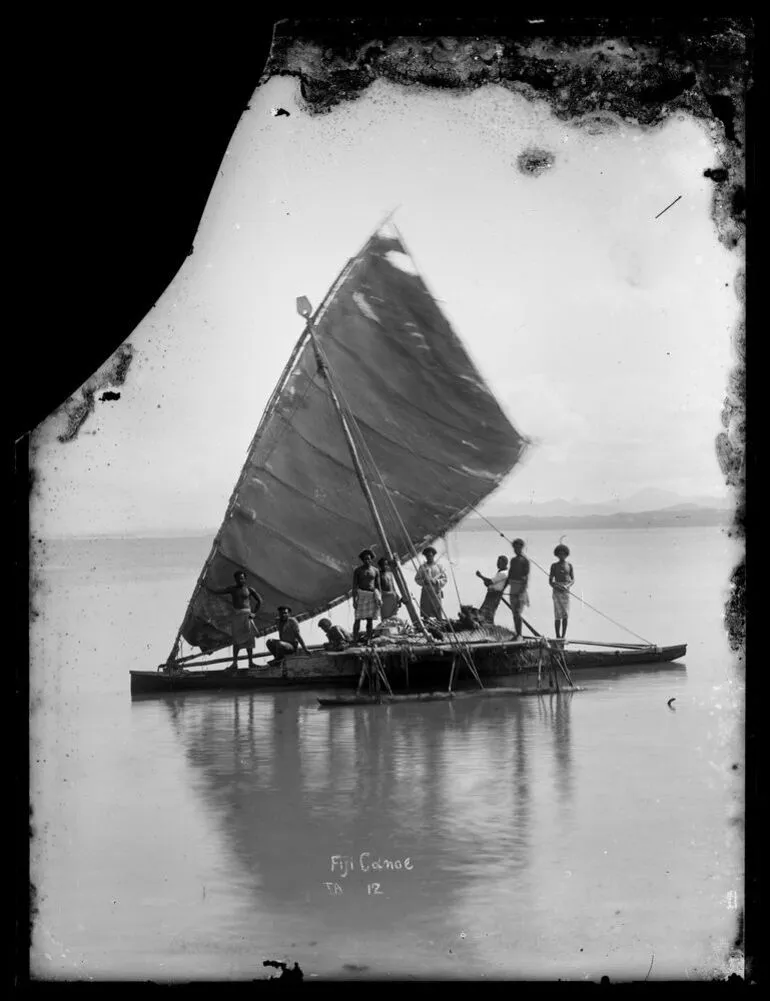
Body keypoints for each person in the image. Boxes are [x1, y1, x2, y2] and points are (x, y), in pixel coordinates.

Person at [208, 570, 263, 672]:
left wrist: (254, 613)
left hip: (248, 616)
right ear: (235, 580)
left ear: (245, 579)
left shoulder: (249, 589)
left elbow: (260, 601)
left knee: (249, 640)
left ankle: (251, 663)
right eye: (238, 579)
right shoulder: (232, 589)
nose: (240, 580)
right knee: (236, 640)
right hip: (237, 616)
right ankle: (234, 663)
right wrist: (207, 587)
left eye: (242, 578)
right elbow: (219, 591)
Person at [352, 549, 382, 643]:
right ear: (362, 560)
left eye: (369, 559)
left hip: (372, 595)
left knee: (370, 619)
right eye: (365, 559)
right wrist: (354, 600)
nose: (367, 561)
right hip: (361, 595)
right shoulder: (358, 570)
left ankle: (369, 638)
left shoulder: (375, 570)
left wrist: (379, 598)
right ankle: (355, 639)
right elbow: (354, 586)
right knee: (358, 618)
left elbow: (378, 585)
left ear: (371, 559)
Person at [549, 544, 575, 639]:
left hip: (566, 592)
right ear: (557, 554)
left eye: (563, 554)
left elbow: (572, 579)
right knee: (557, 615)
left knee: (565, 614)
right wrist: (556, 586)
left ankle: (563, 636)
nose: (562, 556)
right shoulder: (554, 566)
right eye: (560, 554)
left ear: (566, 554)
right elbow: (550, 581)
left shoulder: (569, 566)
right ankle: (557, 635)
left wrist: (567, 586)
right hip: (556, 592)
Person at [506, 538, 530, 640]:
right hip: (513, 588)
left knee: (518, 612)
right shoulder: (513, 560)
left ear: (521, 548)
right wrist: (502, 589)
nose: (516, 549)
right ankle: (517, 633)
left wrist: (521, 592)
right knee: (514, 613)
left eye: (518, 547)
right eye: (515, 547)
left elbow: (526, 578)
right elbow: (510, 575)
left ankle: (519, 634)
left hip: (521, 589)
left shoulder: (525, 561)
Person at [414, 546, 447, 619]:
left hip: (436, 591)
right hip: (426, 592)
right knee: (426, 612)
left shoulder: (439, 567)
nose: (429, 557)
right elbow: (417, 579)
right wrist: (424, 582)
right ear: (425, 557)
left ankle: (440, 624)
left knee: (437, 611)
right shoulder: (422, 567)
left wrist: (437, 581)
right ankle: (427, 625)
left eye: (431, 556)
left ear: (433, 556)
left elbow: (444, 579)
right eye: (427, 556)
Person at [476, 555, 509, 624]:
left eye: (499, 563)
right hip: (491, 594)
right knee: (486, 612)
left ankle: (488, 628)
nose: (497, 564)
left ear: (504, 563)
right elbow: (489, 583)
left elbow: (490, 582)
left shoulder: (503, 573)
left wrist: (481, 576)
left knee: (487, 612)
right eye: (497, 562)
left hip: (494, 595)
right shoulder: (500, 572)